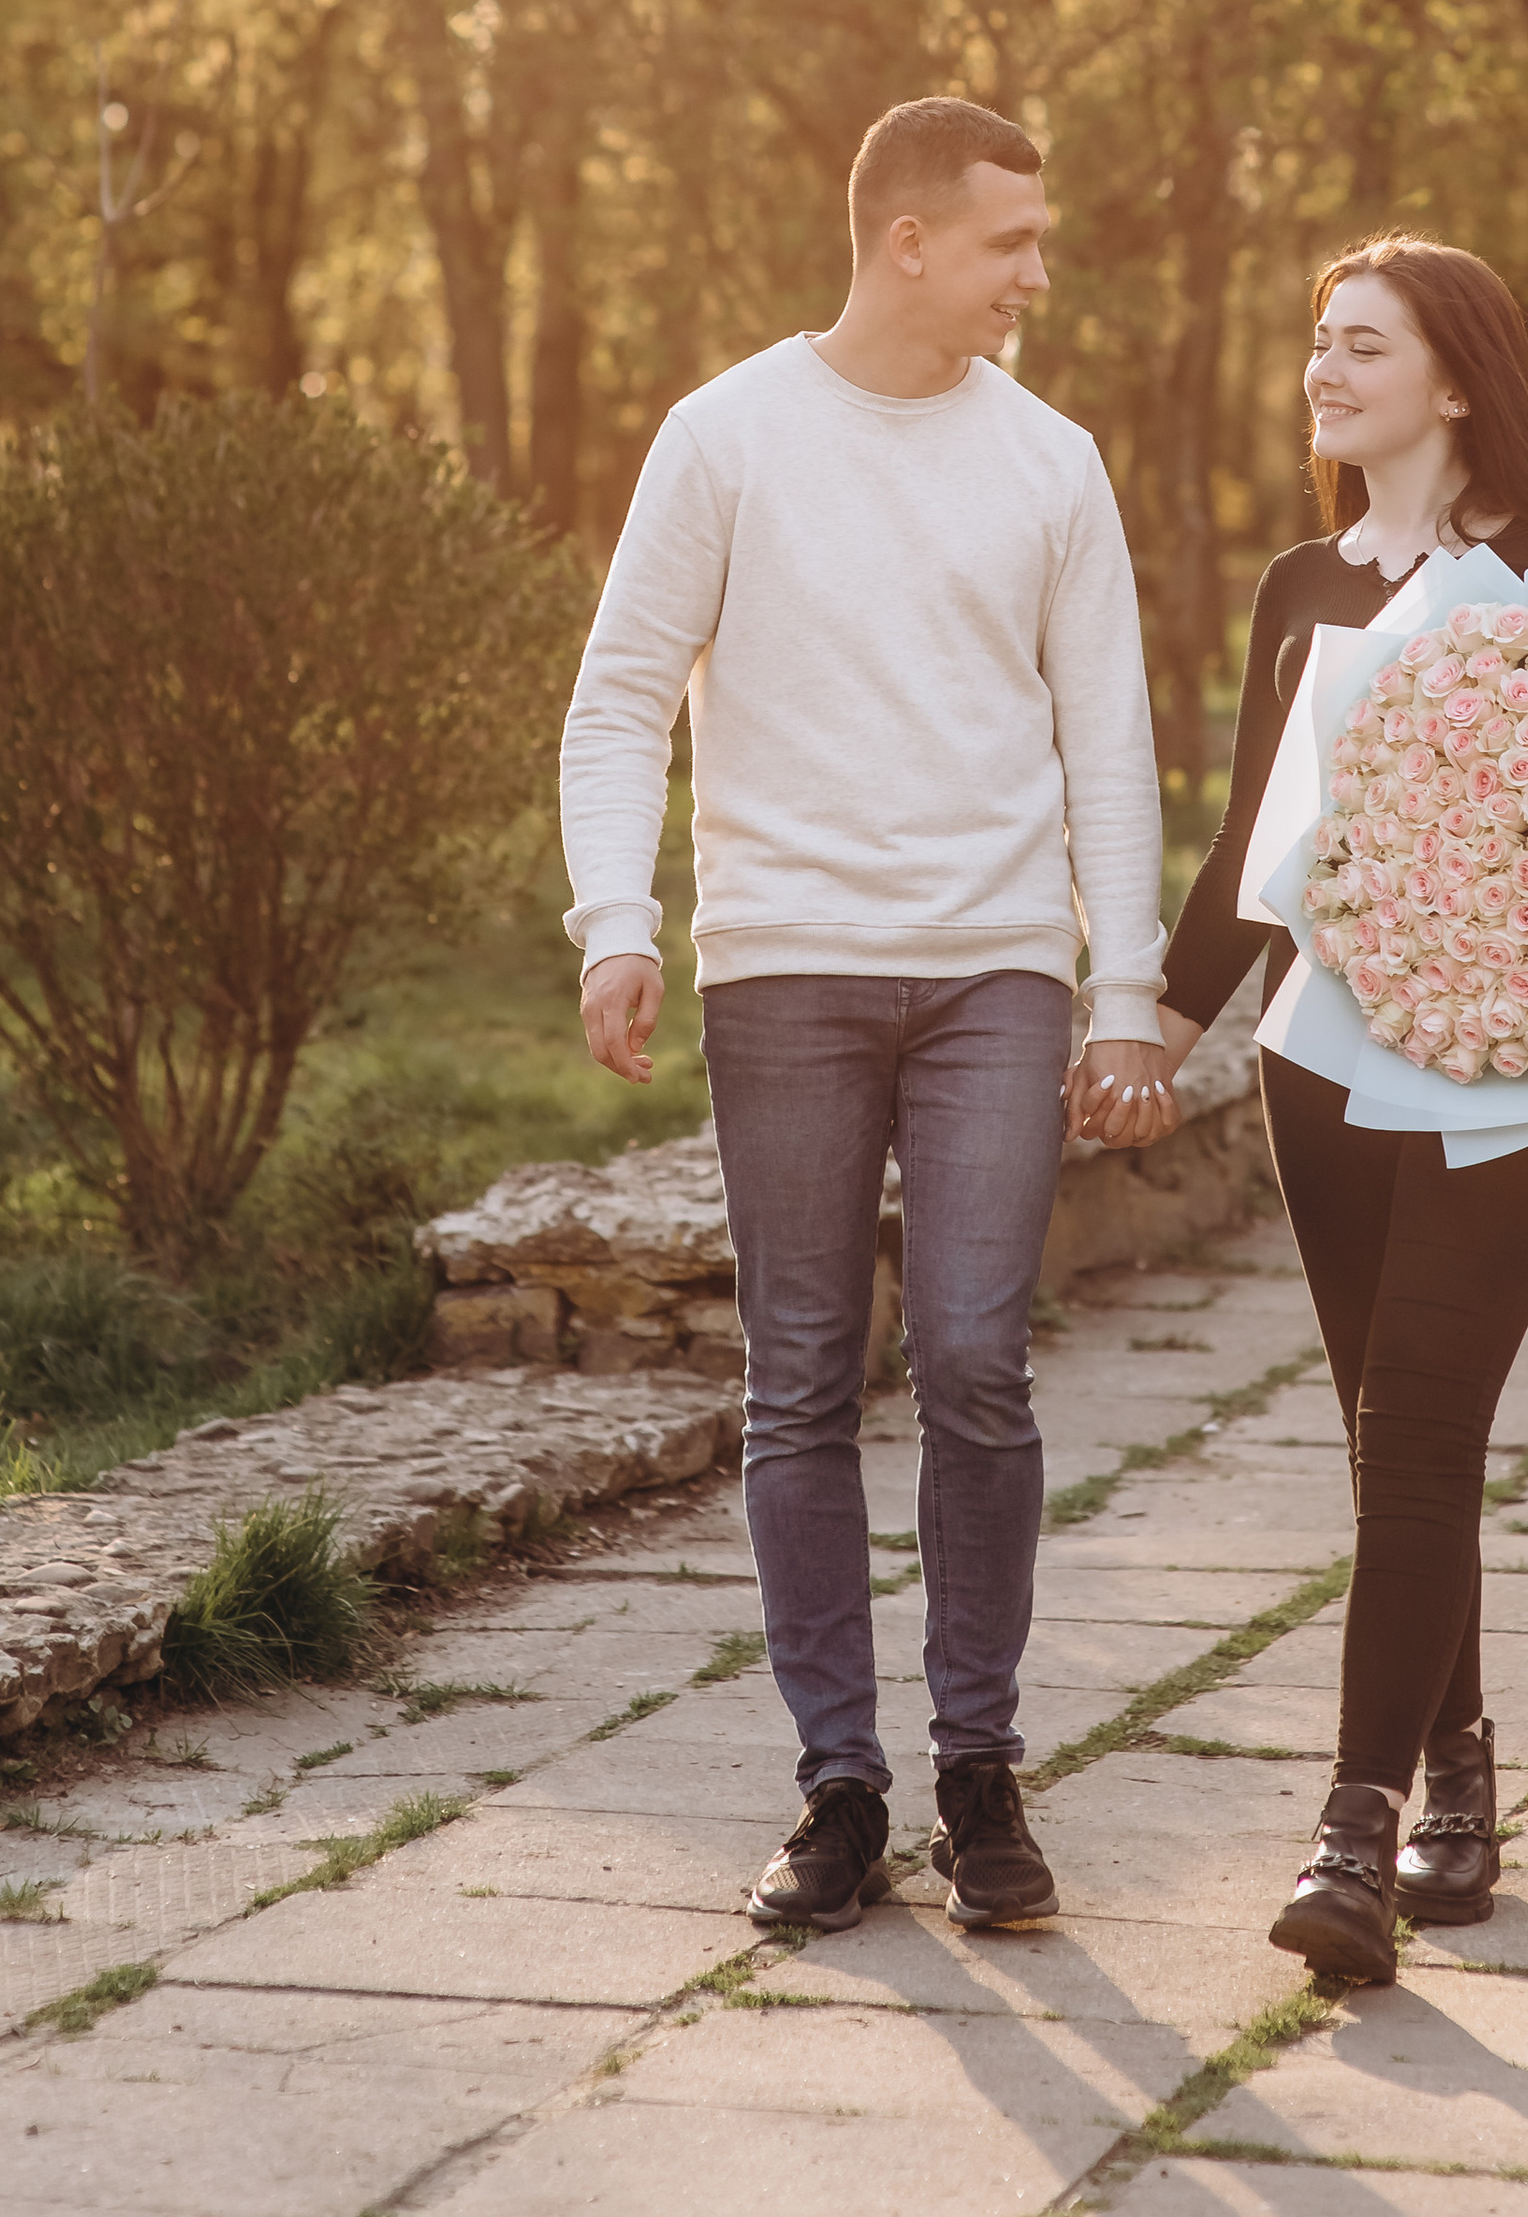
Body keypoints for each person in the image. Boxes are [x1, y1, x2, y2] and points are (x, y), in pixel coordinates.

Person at [564, 96, 1179, 1939]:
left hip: (998, 965)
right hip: (787, 971)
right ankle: (841, 1785)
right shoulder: (727, 437)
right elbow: (618, 695)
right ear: (908, 239)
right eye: (1010, 241)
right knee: (801, 1379)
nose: (1036, 273)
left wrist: (1127, 987)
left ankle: (980, 1763)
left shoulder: (1054, 464)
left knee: (978, 1358)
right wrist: (617, 919)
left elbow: (1112, 744)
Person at [1080, 235, 1528, 1985]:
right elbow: (1260, 852)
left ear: (1458, 379)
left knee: (1413, 1427)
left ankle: (1353, 1835)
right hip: (1329, 1076)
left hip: (1518, 1082)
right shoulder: (1299, 587)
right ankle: (1459, 1773)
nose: (1326, 371)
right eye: (1319, 343)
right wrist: (1157, 1028)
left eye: (1365, 344)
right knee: (1397, 1436)